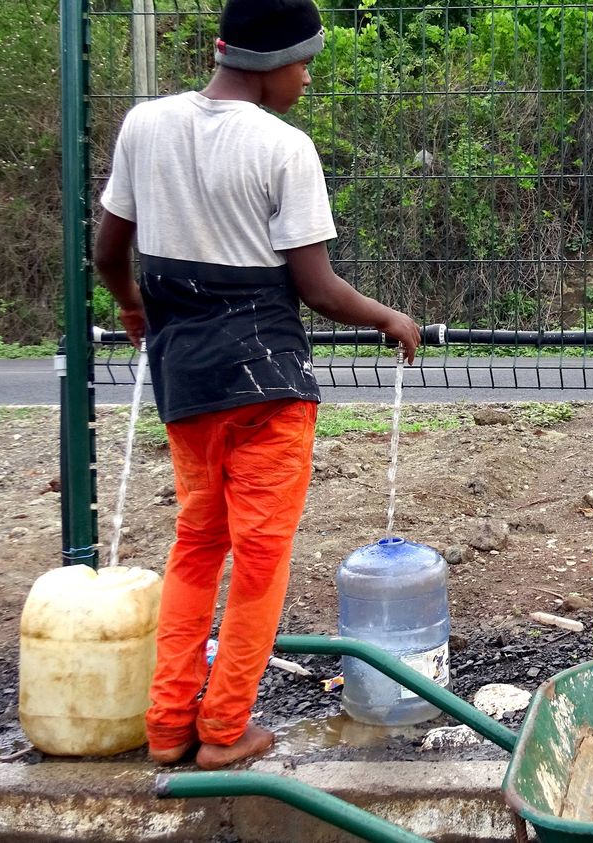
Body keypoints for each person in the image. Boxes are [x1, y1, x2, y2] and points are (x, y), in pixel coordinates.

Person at [92, 0, 420, 770]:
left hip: (187, 384)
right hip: (268, 388)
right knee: (261, 561)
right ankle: (225, 727)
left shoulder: (145, 126)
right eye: (302, 64)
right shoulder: (284, 148)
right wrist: (390, 318)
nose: (306, 78)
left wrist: (133, 308)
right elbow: (317, 287)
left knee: (196, 549)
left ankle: (169, 722)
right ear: (270, 66)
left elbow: (108, 249)